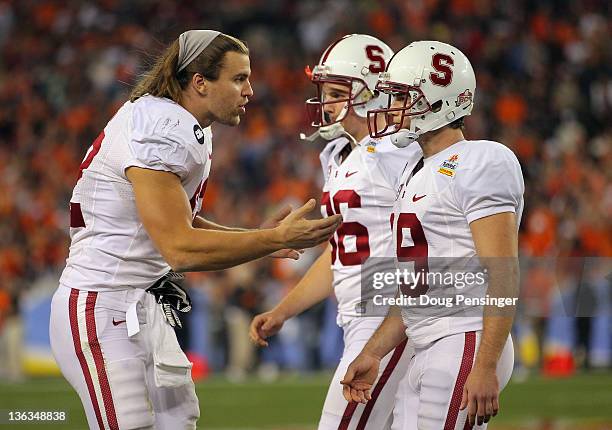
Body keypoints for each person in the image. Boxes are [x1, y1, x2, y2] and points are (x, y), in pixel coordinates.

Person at [49, 30, 341, 430]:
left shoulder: (179, 123)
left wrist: (256, 242)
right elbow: (179, 247)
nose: (250, 91)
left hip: (142, 303)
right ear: (200, 83)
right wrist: (272, 238)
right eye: (238, 78)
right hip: (101, 303)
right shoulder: (161, 126)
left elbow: (177, 220)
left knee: (178, 423)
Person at [341, 40, 524, 429]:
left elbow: (503, 271)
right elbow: (414, 288)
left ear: (438, 102)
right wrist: (373, 352)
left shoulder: (481, 160)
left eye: (402, 97)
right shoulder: (415, 173)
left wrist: (486, 363)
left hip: (464, 336)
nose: (390, 108)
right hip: (427, 340)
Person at [249, 34, 422, 429]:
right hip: (359, 314)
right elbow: (340, 250)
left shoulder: (398, 150)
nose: (325, 102)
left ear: (372, 92)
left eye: (335, 91)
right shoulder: (340, 154)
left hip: (387, 314)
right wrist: (284, 310)